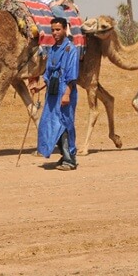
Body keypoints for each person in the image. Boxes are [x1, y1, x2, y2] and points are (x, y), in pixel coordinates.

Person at [30, 17, 79, 171]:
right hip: (52, 94)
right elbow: (48, 74)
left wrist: (66, 94)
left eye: (58, 29)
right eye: (53, 30)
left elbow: (71, 75)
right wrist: (39, 87)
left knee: (64, 124)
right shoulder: (52, 49)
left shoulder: (71, 49)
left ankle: (70, 159)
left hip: (65, 91)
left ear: (65, 29)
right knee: (49, 123)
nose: (55, 33)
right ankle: (64, 155)